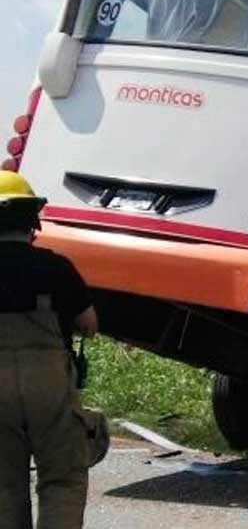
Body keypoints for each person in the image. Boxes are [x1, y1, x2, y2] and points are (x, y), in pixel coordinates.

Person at [0, 171, 100, 529]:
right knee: (62, 481)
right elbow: (88, 324)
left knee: (4, 488)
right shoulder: (56, 267)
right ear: (32, 221)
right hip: (49, 387)